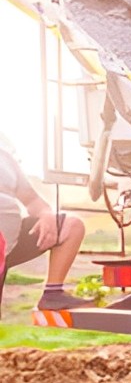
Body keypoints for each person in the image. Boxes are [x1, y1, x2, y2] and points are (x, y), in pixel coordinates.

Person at [0, 134, 89, 312]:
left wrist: (46, 214)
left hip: (9, 242)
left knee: (71, 225)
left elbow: (32, 200)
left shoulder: (5, 158)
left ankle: (52, 295)